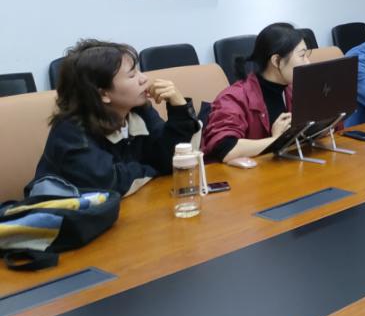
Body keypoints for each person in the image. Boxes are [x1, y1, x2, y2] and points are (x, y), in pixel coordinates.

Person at [33, 39, 199, 195]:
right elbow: (110, 182)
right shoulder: (70, 130)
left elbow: (170, 158)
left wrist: (179, 108)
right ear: (103, 94)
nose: (144, 79)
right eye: (132, 75)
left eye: (138, 71)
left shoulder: (138, 111)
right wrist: (154, 169)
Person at [201, 23, 310, 165]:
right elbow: (225, 148)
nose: (308, 62)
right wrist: (275, 141)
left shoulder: (291, 90)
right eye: (302, 56)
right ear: (276, 61)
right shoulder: (233, 97)